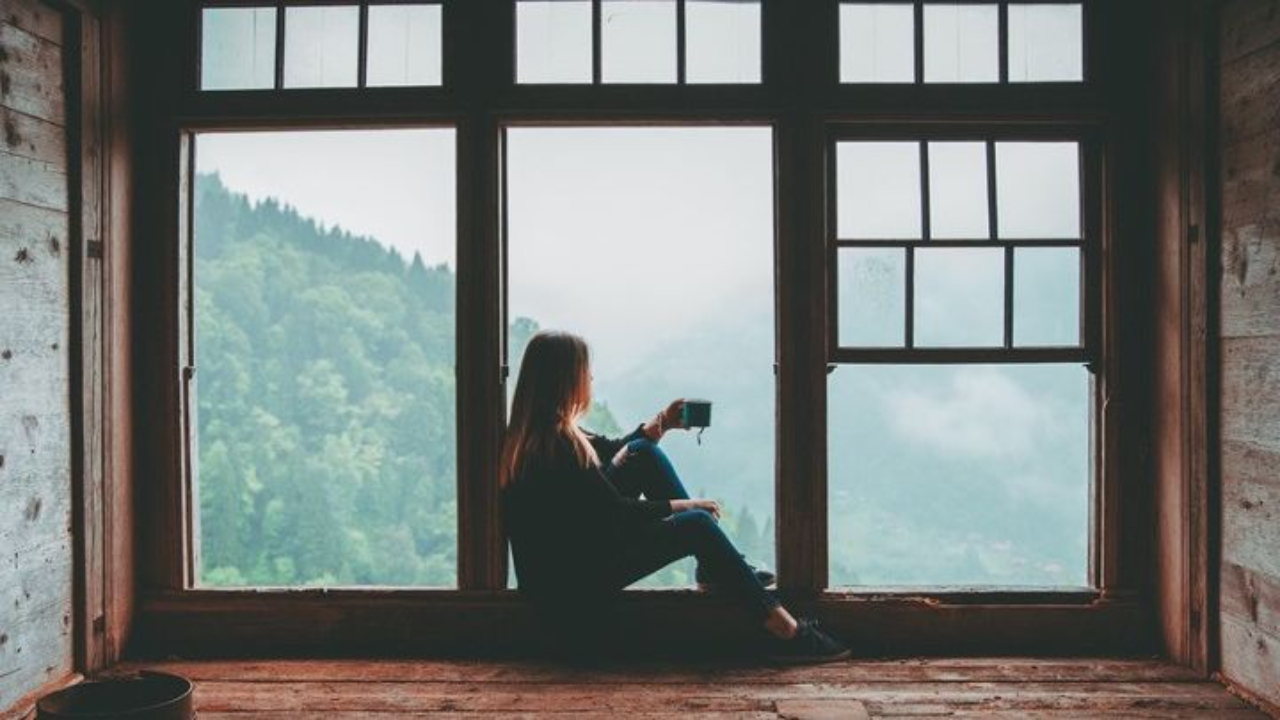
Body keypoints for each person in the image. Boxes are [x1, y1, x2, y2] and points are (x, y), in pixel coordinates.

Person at [501, 329, 850, 663]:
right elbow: (614, 514)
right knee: (696, 524)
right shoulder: (557, 447)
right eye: (585, 371)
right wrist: (686, 506)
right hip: (569, 589)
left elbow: (610, 456)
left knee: (641, 452)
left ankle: (713, 570)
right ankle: (785, 630)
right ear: (565, 380)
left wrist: (660, 426)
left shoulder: (541, 433)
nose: (590, 379)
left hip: (569, 562)